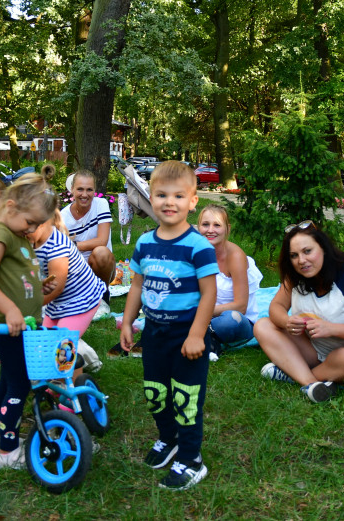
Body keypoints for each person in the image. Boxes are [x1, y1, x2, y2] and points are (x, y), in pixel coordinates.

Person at [120, 161, 218, 491]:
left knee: (186, 399)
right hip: (154, 333)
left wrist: (196, 334)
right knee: (156, 393)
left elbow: (209, 294)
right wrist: (128, 322)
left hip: (186, 335)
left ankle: (191, 459)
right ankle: (169, 437)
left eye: (179, 196)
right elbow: (137, 286)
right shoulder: (145, 242)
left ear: (193, 201)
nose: (169, 202)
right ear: (151, 197)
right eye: (161, 195)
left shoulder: (199, 247)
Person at [253, 221, 344, 403]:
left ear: (324, 248)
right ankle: (311, 383)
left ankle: (294, 372)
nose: (301, 261)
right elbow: (276, 308)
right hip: (317, 352)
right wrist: (286, 321)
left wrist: (331, 329)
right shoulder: (296, 273)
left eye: (307, 251)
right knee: (263, 325)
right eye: (294, 255)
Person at [0, 165, 57, 469]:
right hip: (7, 327)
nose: (32, 229)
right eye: (30, 222)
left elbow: (16, 274)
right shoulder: (1, 234)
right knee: (19, 385)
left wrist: (39, 284)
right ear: (10, 206)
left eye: (37, 224)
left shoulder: (18, 235)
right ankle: (8, 452)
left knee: (7, 381)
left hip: (24, 326)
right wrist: (10, 309)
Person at [29, 211, 107, 376]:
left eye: (27, 228)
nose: (22, 234)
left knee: (63, 343)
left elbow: (57, 286)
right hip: (58, 302)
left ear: (43, 221)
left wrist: (31, 305)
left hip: (81, 298)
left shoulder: (56, 245)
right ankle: (55, 381)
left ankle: (73, 391)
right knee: (44, 343)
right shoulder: (30, 238)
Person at [196, 205, 262, 355]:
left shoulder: (235, 257)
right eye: (205, 224)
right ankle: (208, 338)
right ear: (199, 227)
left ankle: (198, 334)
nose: (210, 230)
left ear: (227, 228)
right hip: (204, 316)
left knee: (231, 320)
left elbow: (241, 306)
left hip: (235, 319)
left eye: (217, 225)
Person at [60, 170, 115, 284]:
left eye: (89, 189)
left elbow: (102, 241)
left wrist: (73, 245)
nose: (84, 194)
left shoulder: (101, 204)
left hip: (101, 265)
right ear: (72, 189)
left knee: (101, 252)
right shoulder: (63, 217)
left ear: (94, 190)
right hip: (76, 267)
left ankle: (103, 293)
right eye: (80, 189)